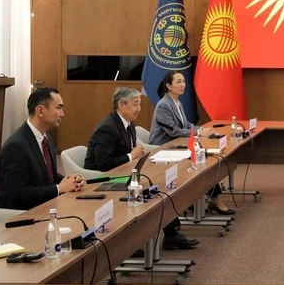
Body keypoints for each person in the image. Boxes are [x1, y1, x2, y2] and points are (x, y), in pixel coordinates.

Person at [84, 87, 198, 250]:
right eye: (135, 104)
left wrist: (135, 154)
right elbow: (104, 164)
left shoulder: (128, 124)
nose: (139, 109)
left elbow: (127, 152)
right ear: (121, 105)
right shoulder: (107, 128)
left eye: (139, 104)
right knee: (154, 191)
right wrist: (131, 156)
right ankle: (151, 239)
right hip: (103, 179)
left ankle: (171, 234)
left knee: (159, 186)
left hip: (124, 173)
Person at [150, 71, 234, 215]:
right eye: (179, 82)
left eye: (184, 81)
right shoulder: (163, 105)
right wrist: (199, 133)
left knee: (206, 160)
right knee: (202, 161)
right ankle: (210, 200)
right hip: (164, 148)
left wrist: (202, 129)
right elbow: (174, 131)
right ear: (169, 86)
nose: (183, 84)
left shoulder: (177, 102)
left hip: (178, 145)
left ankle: (202, 199)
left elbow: (187, 125)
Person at [0, 87, 85, 210]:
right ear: (40, 111)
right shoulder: (15, 147)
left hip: (44, 206)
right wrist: (59, 188)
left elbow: (47, 176)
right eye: (59, 108)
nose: (62, 114)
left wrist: (70, 181)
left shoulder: (45, 137)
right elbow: (18, 194)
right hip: (20, 214)